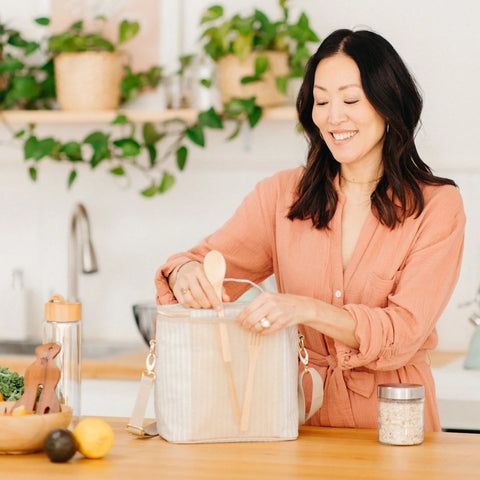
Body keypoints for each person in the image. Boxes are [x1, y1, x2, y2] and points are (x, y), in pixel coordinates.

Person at [155, 29, 465, 431]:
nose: (334, 116)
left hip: (395, 425)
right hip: (301, 424)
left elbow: (403, 331)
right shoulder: (282, 196)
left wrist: (306, 309)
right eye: (321, 101)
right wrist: (186, 275)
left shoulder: (436, 206)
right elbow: (202, 267)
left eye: (350, 99)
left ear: (389, 103)